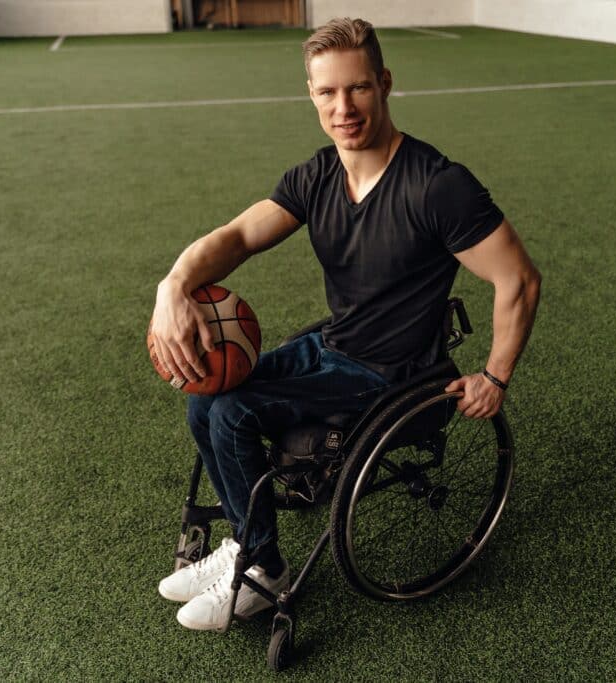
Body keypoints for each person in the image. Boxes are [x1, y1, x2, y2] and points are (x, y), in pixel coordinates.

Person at [150, 17, 541, 632]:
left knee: (232, 413)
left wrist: (495, 375)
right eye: (327, 93)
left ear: (384, 83)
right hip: (335, 347)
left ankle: (263, 570)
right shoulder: (319, 176)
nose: (344, 107)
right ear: (312, 94)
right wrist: (172, 285)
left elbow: (518, 278)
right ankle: (240, 546)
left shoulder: (437, 186)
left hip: (396, 374)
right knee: (206, 399)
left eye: (358, 88)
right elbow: (241, 235)